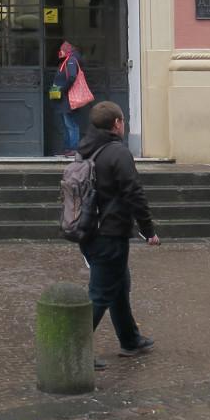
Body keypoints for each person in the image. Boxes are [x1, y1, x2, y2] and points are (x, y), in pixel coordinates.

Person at [76, 100, 159, 368]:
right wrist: (148, 230)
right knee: (100, 294)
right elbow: (134, 193)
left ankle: (130, 340)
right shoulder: (117, 153)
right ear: (117, 123)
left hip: (89, 229)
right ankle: (73, 350)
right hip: (110, 233)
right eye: (122, 121)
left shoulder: (85, 151)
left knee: (119, 286)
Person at [52, 41, 90, 157]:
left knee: (71, 124)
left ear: (67, 50)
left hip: (69, 99)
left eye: (62, 49)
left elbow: (72, 77)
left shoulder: (71, 60)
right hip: (65, 99)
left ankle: (73, 149)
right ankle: (67, 148)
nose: (60, 52)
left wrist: (63, 89)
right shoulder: (68, 60)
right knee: (67, 124)